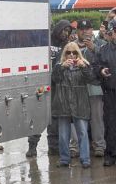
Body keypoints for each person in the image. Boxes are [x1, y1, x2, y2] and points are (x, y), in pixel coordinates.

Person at [27, 20, 72, 157]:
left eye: (68, 31)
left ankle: (53, 147)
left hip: (56, 85)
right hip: (42, 84)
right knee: (38, 113)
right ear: (58, 29)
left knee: (54, 117)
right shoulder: (46, 40)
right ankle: (32, 146)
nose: (65, 33)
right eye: (64, 30)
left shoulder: (66, 46)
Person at [52, 42, 95, 168]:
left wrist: (84, 67)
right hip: (63, 103)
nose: (71, 55)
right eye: (68, 52)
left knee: (82, 132)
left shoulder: (84, 64)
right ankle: (64, 159)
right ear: (64, 54)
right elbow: (54, 79)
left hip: (80, 103)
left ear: (78, 53)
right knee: (63, 135)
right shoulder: (59, 65)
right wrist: (61, 67)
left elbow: (92, 79)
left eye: (74, 52)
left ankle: (85, 159)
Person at [77, 20, 106, 157]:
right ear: (78, 31)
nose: (84, 31)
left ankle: (99, 145)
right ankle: (77, 146)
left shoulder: (100, 43)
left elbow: (107, 57)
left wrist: (94, 48)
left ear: (91, 30)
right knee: (78, 118)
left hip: (95, 87)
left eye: (87, 28)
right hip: (79, 88)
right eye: (81, 29)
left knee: (97, 118)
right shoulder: (72, 45)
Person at [97, 19, 116, 166]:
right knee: (110, 123)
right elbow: (96, 66)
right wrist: (101, 70)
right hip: (110, 92)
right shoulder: (103, 49)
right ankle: (110, 154)